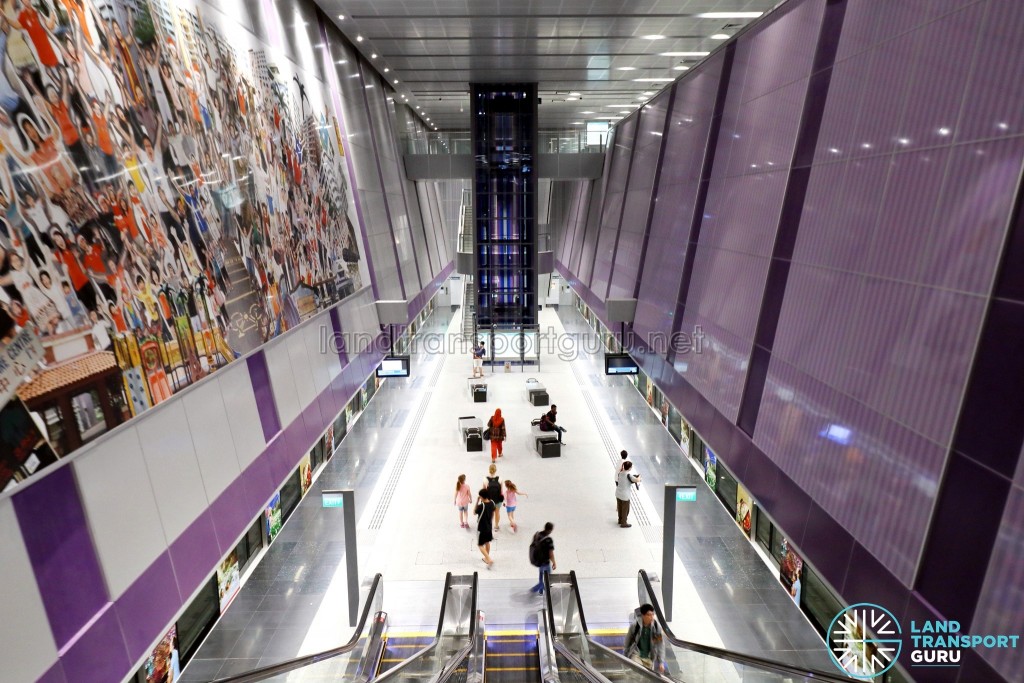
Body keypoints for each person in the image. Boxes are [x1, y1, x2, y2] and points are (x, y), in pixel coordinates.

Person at [624, 604, 666, 674]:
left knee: (647, 677)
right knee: (637, 674)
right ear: (643, 615)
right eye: (649, 615)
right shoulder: (635, 626)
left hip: (649, 657)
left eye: (653, 614)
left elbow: (660, 644)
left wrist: (661, 662)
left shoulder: (656, 627)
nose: (652, 617)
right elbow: (627, 641)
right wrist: (625, 656)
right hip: (636, 655)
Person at [529, 522, 556, 594]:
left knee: (541, 575)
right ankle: (536, 589)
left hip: (539, 560)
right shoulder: (548, 540)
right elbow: (551, 554)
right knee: (548, 578)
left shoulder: (538, 534)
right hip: (545, 562)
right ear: (550, 530)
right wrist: (554, 562)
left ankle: (541, 591)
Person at [616, 461, 641, 528]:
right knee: (625, 510)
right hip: (625, 495)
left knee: (620, 508)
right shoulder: (628, 475)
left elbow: (626, 480)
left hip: (618, 493)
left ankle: (620, 520)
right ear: (630, 468)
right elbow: (637, 480)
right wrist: (639, 476)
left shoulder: (620, 473)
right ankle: (624, 523)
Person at [474, 489, 495, 568]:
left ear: (481, 497)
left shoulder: (481, 506)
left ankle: (489, 559)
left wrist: (477, 502)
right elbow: (493, 514)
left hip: (482, 528)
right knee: (487, 542)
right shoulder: (492, 503)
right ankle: (486, 558)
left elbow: (474, 512)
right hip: (489, 527)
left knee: (480, 545)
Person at [484, 463, 504, 531]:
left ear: (489, 470)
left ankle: (489, 525)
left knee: (489, 513)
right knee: (497, 512)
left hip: (489, 501)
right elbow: (502, 491)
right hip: (498, 499)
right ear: (496, 470)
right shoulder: (500, 479)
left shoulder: (485, 479)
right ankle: (496, 526)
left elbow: (484, 491)